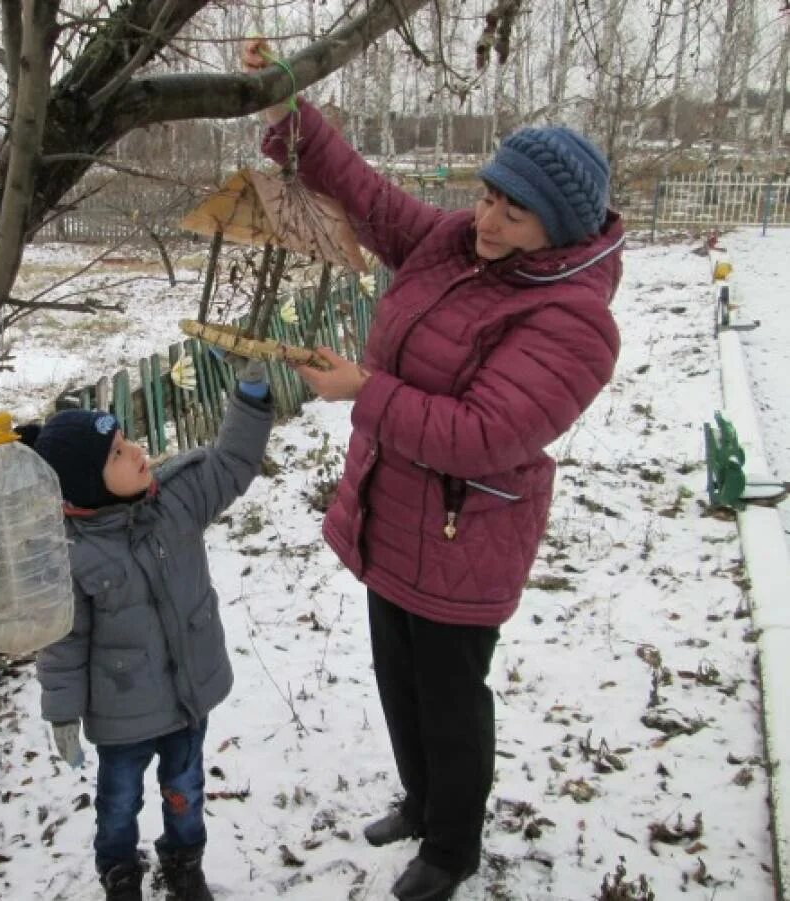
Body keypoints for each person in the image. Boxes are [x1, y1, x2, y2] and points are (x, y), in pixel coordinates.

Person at [242, 39, 624, 901]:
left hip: (464, 535)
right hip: (394, 512)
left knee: (452, 702)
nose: (487, 219)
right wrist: (285, 110)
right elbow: (370, 199)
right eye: (487, 196)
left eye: (512, 214)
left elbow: (484, 433)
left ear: (556, 231)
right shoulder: (454, 246)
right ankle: (420, 801)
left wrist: (363, 389)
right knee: (397, 679)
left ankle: (452, 846)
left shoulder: (573, 322)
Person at [27, 355, 274, 901]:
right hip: (122, 715)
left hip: (187, 697)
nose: (137, 451)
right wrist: (62, 711)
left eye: (127, 439)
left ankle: (184, 864)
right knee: (118, 801)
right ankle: (119, 872)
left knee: (185, 789)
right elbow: (62, 642)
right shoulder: (73, 556)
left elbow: (231, 461)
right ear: (87, 482)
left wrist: (251, 395)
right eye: (117, 453)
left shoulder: (175, 500)